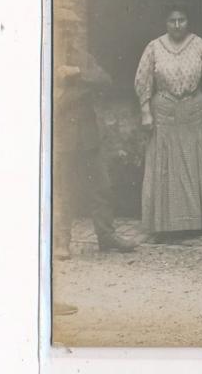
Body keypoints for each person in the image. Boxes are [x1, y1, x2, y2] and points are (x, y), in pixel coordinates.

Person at [134, 2, 202, 238]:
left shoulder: (200, 45)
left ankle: (197, 220)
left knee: (192, 160)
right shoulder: (155, 47)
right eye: (172, 21)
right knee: (166, 164)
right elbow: (143, 80)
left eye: (181, 20)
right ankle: (165, 222)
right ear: (166, 23)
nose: (177, 25)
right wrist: (146, 111)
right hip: (164, 109)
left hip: (194, 108)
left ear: (188, 21)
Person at [52, 56, 138, 260]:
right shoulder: (47, 56)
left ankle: (106, 236)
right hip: (64, 139)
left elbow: (104, 79)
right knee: (66, 192)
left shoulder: (82, 60)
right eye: (64, 28)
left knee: (102, 188)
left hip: (89, 138)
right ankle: (62, 242)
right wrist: (81, 89)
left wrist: (78, 72)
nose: (68, 32)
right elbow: (56, 101)